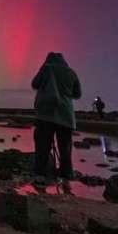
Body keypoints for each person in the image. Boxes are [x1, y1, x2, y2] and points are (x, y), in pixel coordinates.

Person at [31, 51, 82, 180]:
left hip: (46, 114)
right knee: (65, 149)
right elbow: (77, 94)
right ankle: (67, 177)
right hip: (66, 116)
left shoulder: (47, 68)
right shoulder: (71, 72)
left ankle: (40, 176)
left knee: (42, 147)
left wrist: (44, 68)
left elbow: (35, 84)